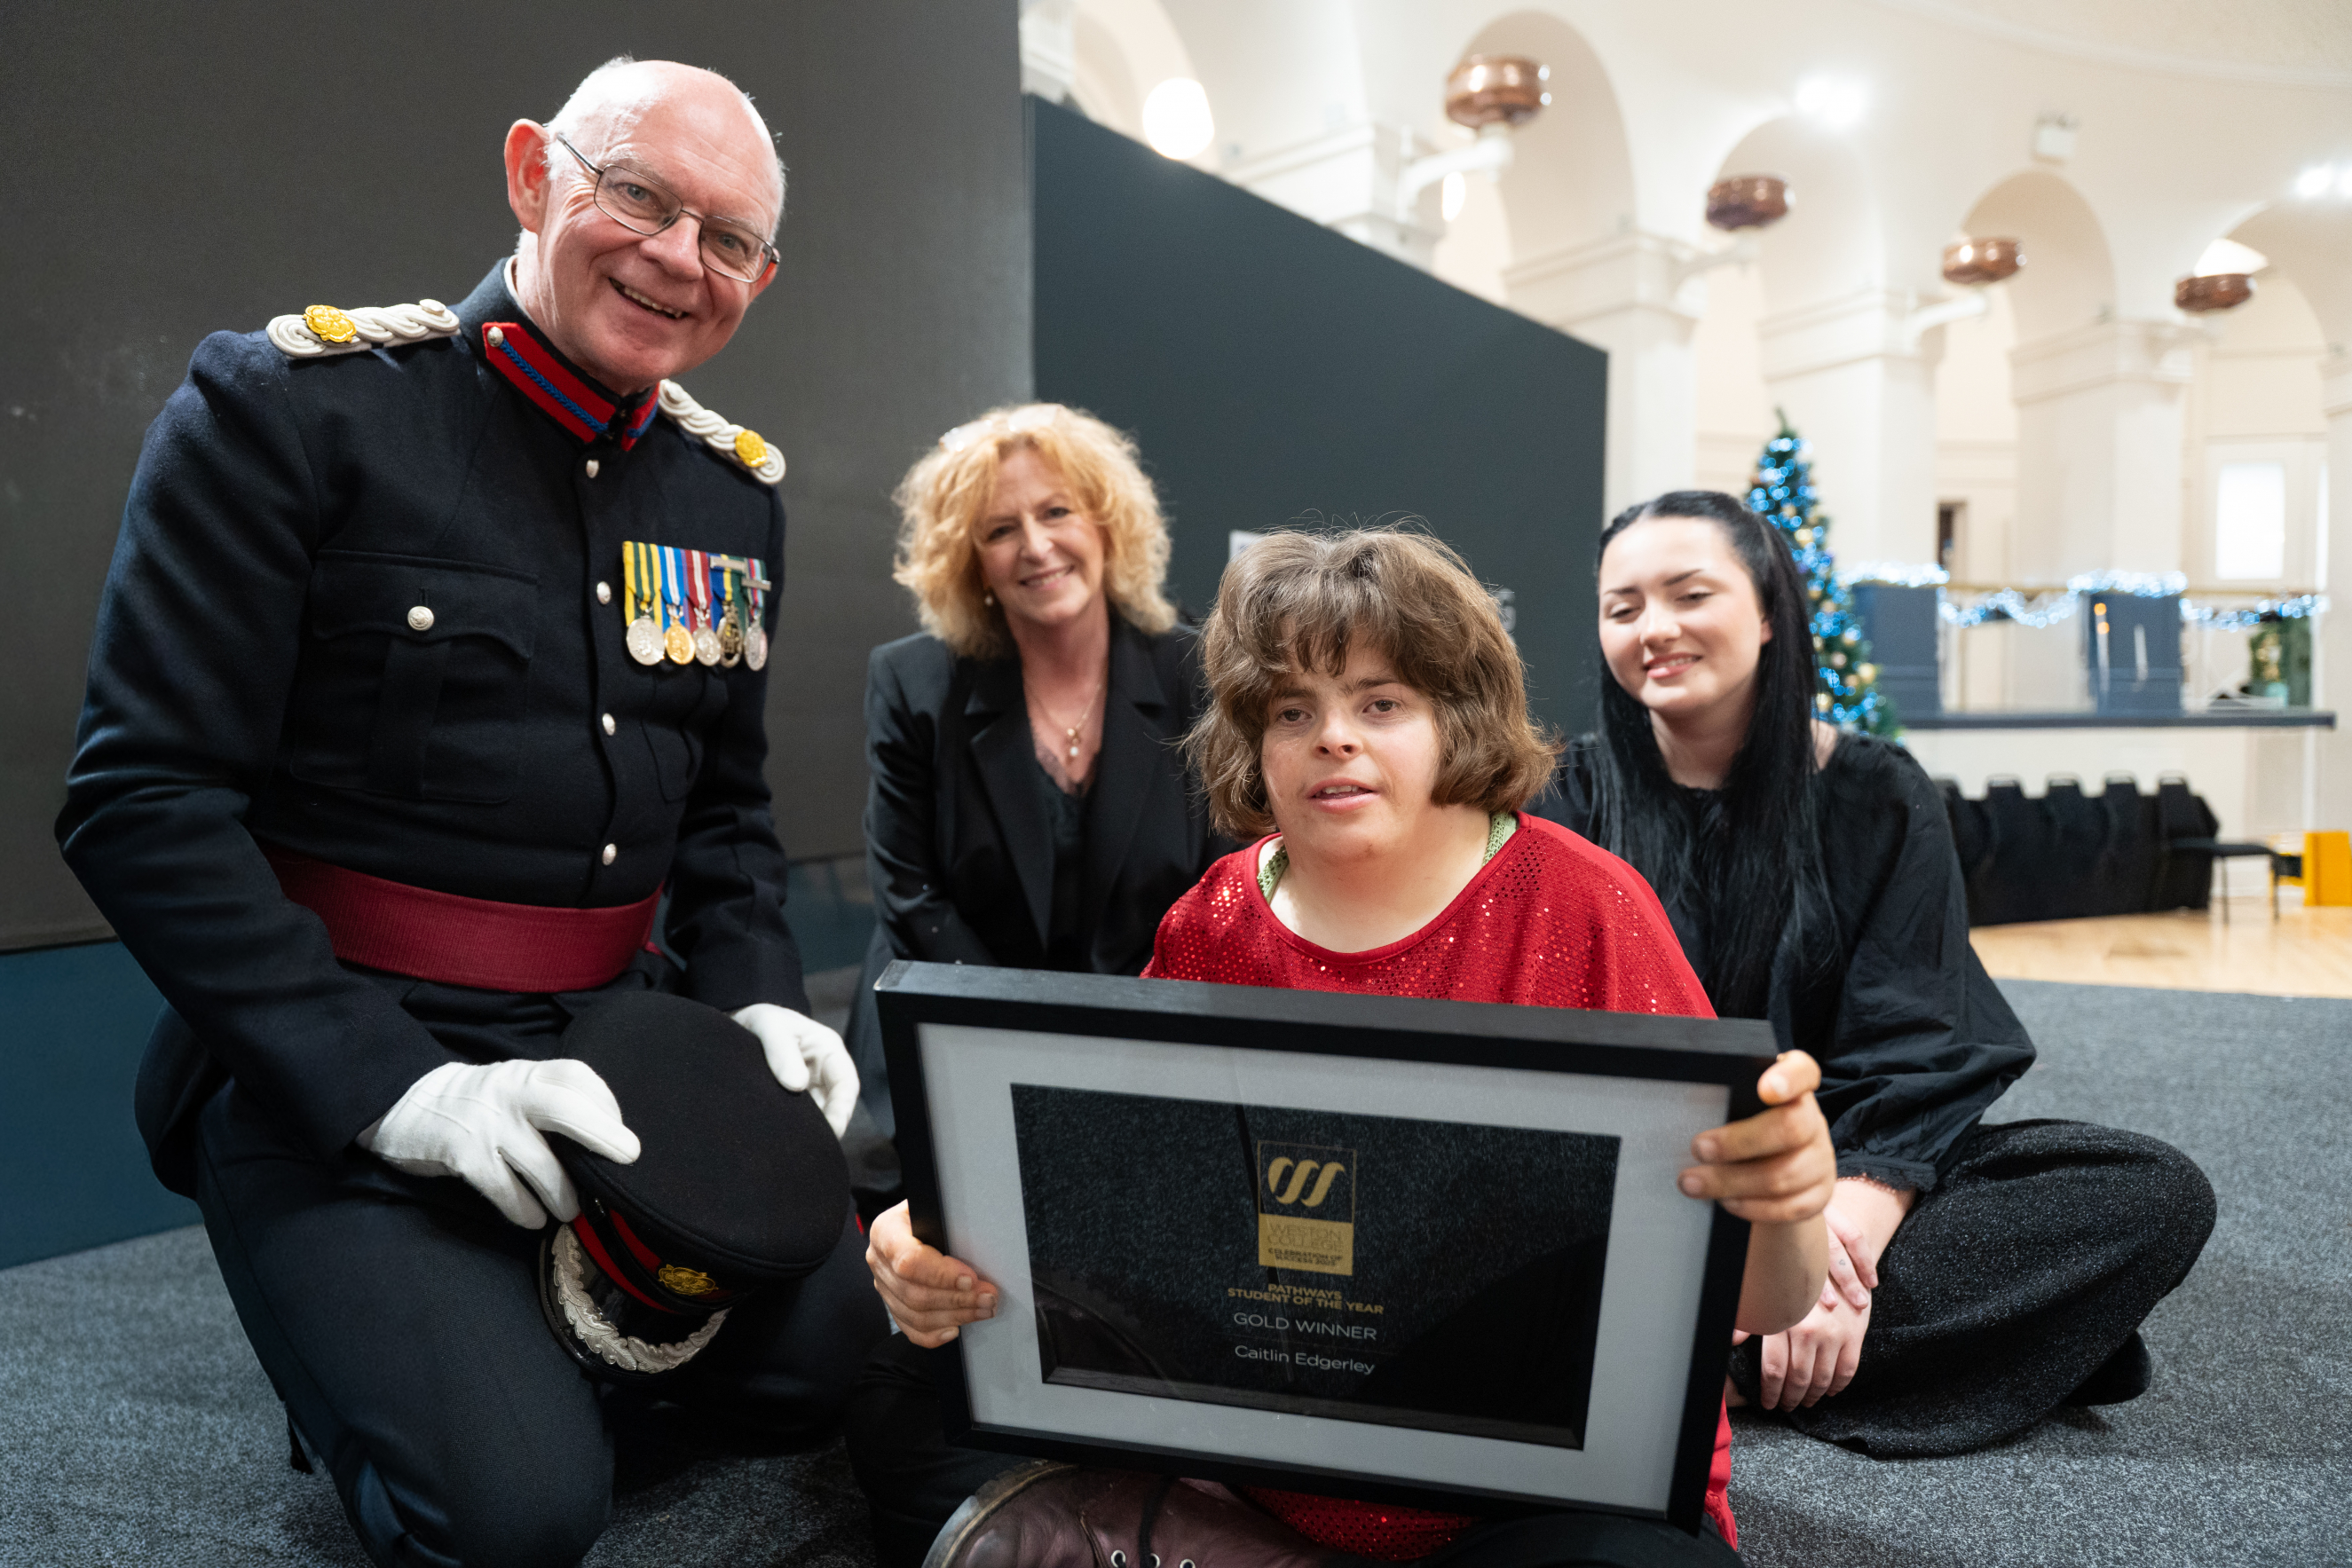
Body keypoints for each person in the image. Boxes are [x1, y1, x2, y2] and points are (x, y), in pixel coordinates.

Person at [56, 59, 888, 1566]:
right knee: (513, 1516)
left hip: (618, 1051)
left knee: (832, 1355)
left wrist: (764, 1006)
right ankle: (411, 1357)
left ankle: (453, 1352)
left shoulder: (728, 498)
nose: (675, 258)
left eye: (729, 240)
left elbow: (728, 824)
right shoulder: (292, 412)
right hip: (357, 1056)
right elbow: (140, 798)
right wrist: (402, 1094)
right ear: (532, 174)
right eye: (637, 194)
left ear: (762, 276)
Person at [847, 530, 1843, 1568]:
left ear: (1455, 718)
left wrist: (1789, 1200)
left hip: (1522, 1487)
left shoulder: (1589, 908)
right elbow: (1108, 1197)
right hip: (1255, 1445)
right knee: (900, 1389)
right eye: (1291, 711)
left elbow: (1763, 1304)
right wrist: (938, 1236)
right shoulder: (1216, 916)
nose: (1333, 738)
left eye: (1380, 702)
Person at [1535, 489, 2214, 1454]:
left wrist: (1835, 1230)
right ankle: (1829, 1349)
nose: (1656, 629)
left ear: (1769, 613)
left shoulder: (1876, 792)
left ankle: (1705, 1364)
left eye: (1689, 594)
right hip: (1644, 1189)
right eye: (1623, 607)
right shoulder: (1564, 800)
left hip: (1847, 1170)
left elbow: (1921, 1035)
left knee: (2149, 1190)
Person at [847, 404, 1227, 1162]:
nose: (1037, 546)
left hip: (1149, 1036)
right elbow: (911, 894)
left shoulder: (1196, 672)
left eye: (1058, 512)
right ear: (970, 561)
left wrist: (1115, 1050)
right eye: (999, 530)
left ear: (1107, 523)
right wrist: (1028, 1051)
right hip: (958, 1026)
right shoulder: (914, 682)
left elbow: (1227, 886)